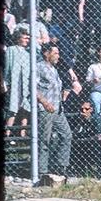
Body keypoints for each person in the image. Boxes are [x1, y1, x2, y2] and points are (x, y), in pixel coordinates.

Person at [35, 43, 73, 181]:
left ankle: (61, 166)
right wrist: (44, 102)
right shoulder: (39, 67)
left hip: (58, 109)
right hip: (46, 109)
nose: (58, 56)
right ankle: (41, 172)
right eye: (55, 53)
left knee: (66, 135)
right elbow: (33, 88)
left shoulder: (54, 69)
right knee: (45, 139)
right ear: (46, 53)